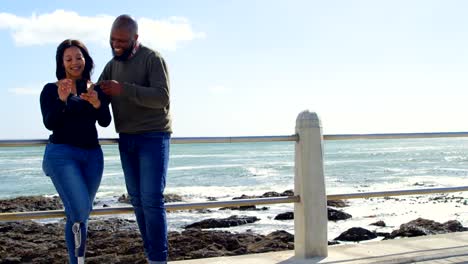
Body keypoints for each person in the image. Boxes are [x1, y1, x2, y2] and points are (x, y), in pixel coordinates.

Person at [98, 15, 172, 264]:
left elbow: (162, 98)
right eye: (112, 40)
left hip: (153, 136)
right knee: (137, 200)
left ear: (135, 39)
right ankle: (152, 256)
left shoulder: (153, 59)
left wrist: (124, 89)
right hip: (126, 138)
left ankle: (158, 259)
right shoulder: (111, 65)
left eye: (122, 41)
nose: (116, 45)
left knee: (151, 199)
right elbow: (99, 94)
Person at [40, 39, 111, 264]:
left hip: (92, 157)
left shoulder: (95, 88)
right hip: (61, 155)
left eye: (78, 57)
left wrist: (98, 103)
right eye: (68, 59)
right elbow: (50, 123)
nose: (74, 62)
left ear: (86, 60)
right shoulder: (51, 89)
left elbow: (106, 121)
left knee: (80, 216)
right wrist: (62, 100)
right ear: (62, 63)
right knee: (80, 211)